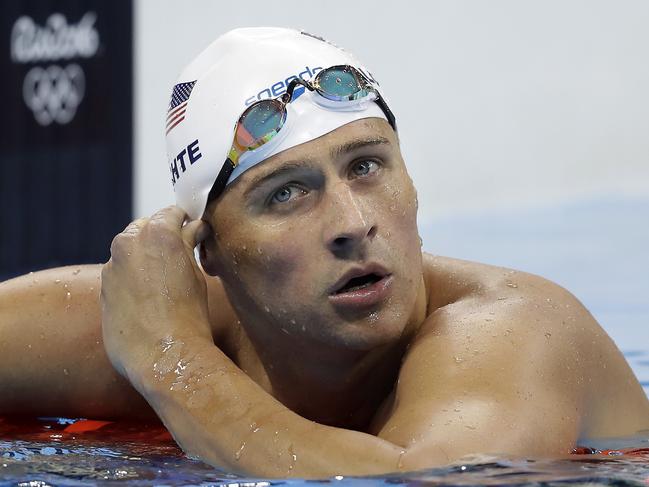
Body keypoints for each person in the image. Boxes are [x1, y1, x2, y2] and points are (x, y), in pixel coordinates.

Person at [1, 27, 648, 478]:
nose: (353, 221)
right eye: (285, 194)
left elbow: (420, 482)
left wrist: (171, 366)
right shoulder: (158, 317)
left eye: (367, 166)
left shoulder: (519, 326)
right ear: (211, 252)